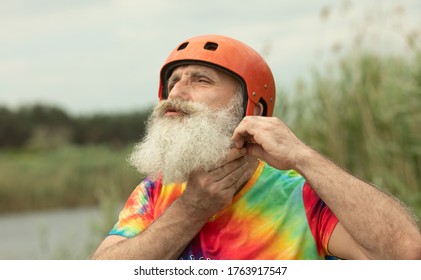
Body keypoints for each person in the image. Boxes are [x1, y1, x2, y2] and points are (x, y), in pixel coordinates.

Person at [91, 34, 421, 260]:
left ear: (254, 109)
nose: (176, 93)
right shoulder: (154, 191)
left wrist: (302, 156)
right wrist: (192, 209)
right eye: (173, 81)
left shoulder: (300, 197)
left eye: (201, 80)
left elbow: (406, 254)